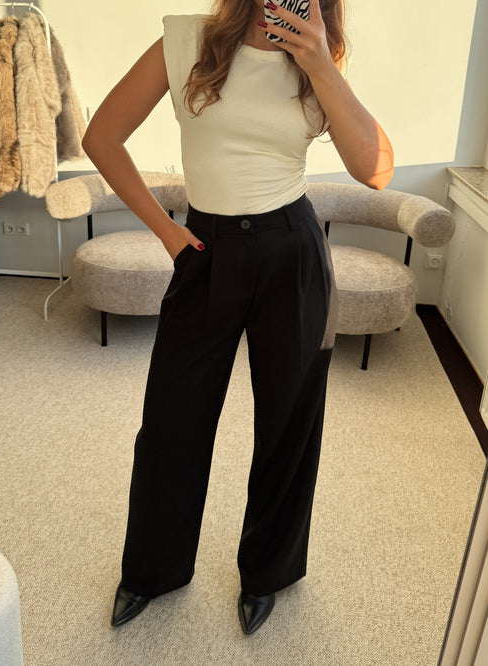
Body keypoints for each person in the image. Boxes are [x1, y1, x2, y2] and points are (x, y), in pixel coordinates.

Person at [82, 0, 394, 636]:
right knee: (171, 420)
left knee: (289, 422)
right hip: (207, 249)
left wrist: (320, 63)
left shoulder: (319, 57)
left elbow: (375, 170)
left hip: (292, 252)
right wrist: (166, 230)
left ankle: (267, 573)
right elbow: (101, 137)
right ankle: (151, 569)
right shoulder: (185, 40)